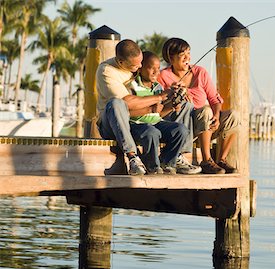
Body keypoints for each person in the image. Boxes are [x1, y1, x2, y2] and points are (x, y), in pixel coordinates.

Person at [96, 39, 188, 175]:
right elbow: (127, 103)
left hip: (141, 121)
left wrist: (172, 98)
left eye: (141, 62)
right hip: (111, 123)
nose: (139, 67)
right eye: (136, 65)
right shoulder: (107, 71)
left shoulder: (139, 72)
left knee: (180, 128)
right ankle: (132, 156)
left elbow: (158, 109)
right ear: (121, 63)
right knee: (116, 103)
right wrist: (159, 98)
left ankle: (167, 162)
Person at [158, 38, 238, 174]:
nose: (187, 58)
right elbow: (160, 104)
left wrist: (217, 116)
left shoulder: (200, 72)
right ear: (171, 58)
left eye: (188, 53)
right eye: (182, 55)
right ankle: (207, 160)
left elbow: (214, 98)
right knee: (205, 111)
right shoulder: (164, 75)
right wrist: (172, 92)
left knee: (233, 115)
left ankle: (222, 160)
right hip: (182, 124)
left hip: (206, 125)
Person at [130, 50, 201, 174]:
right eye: (151, 68)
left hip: (156, 122)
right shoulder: (132, 85)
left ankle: (167, 162)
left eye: (158, 69)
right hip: (137, 124)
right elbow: (128, 111)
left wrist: (173, 106)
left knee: (181, 130)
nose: (156, 72)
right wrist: (150, 108)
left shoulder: (158, 87)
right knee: (152, 132)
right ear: (140, 69)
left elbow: (159, 113)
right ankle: (152, 166)